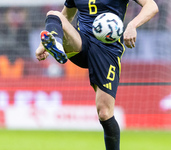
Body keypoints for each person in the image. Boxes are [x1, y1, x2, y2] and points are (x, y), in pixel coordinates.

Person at [35, 0, 158, 149]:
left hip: (107, 51)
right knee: (54, 15)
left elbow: (152, 6)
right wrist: (45, 43)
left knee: (105, 113)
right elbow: (66, 17)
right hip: (82, 43)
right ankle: (57, 45)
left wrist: (132, 25)